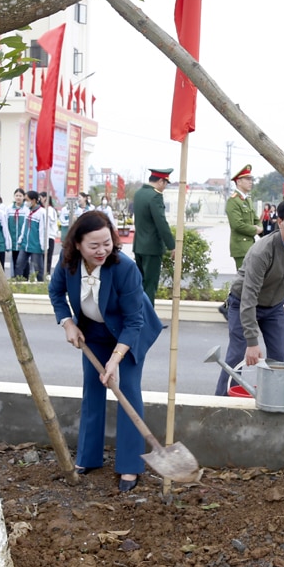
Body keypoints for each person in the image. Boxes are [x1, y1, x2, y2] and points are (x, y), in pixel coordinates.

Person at [49, 210, 163, 492]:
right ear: (77, 244)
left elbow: (134, 320)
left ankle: (130, 466)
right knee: (93, 388)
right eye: (94, 245)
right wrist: (67, 324)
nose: (102, 250)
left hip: (129, 332)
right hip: (94, 332)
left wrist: (115, 359)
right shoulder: (68, 264)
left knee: (127, 391)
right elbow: (56, 292)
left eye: (107, 243)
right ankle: (88, 457)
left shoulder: (124, 267)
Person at [215, 198, 284, 396]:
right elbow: (249, 296)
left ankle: (274, 400)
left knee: (278, 358)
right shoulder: (262, 251)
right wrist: (252, 342)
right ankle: (222, 402)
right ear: (279, 222)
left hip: (275, 306)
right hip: (243, 302)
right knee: (236, 356)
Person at [132, 167, 176, 303]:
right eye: (166, 184)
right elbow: (161, 223)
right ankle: (148, 321)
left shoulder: (138, 194)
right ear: (161, 181)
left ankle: (139, 318)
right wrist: (172, 245)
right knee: (150, 286)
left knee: (139, 285)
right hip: (151, 248)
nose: (165, 187)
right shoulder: (155, 196)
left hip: (138, 245)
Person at [226, 165, 260, 270]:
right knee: (244, 279)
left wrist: (260, 227)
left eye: (251, 179)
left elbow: (256, 219)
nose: (251, 182)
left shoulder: (247, 200)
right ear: (238, 182)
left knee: (252, 278)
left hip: (251, 245)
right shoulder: (233, 201)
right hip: (241, 246)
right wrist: (255, 229)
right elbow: (237, 225)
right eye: (247, 179)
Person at [15, 190, 46, 282]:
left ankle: (41, 285)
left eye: (27, 200)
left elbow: (42, 230)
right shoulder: (27, 211)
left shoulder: (42, 212)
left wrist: (43, 245)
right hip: (25, 244)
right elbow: (24, 226)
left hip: (36, 245)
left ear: (33, 200)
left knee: (38, 268)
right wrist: (21, 239)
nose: (25, 202)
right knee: (19, 264)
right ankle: (18, 283)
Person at [8, 188, 28, 274]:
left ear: (24, 197)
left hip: (23, 240)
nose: (18, 197)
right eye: (17, 195)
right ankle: (15, 277)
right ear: (14, 196)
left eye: (20, 196)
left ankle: (25, 277)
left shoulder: (26, 209)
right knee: (14, 259)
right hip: (12, 239)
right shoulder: (9, 209)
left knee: (24, 260)